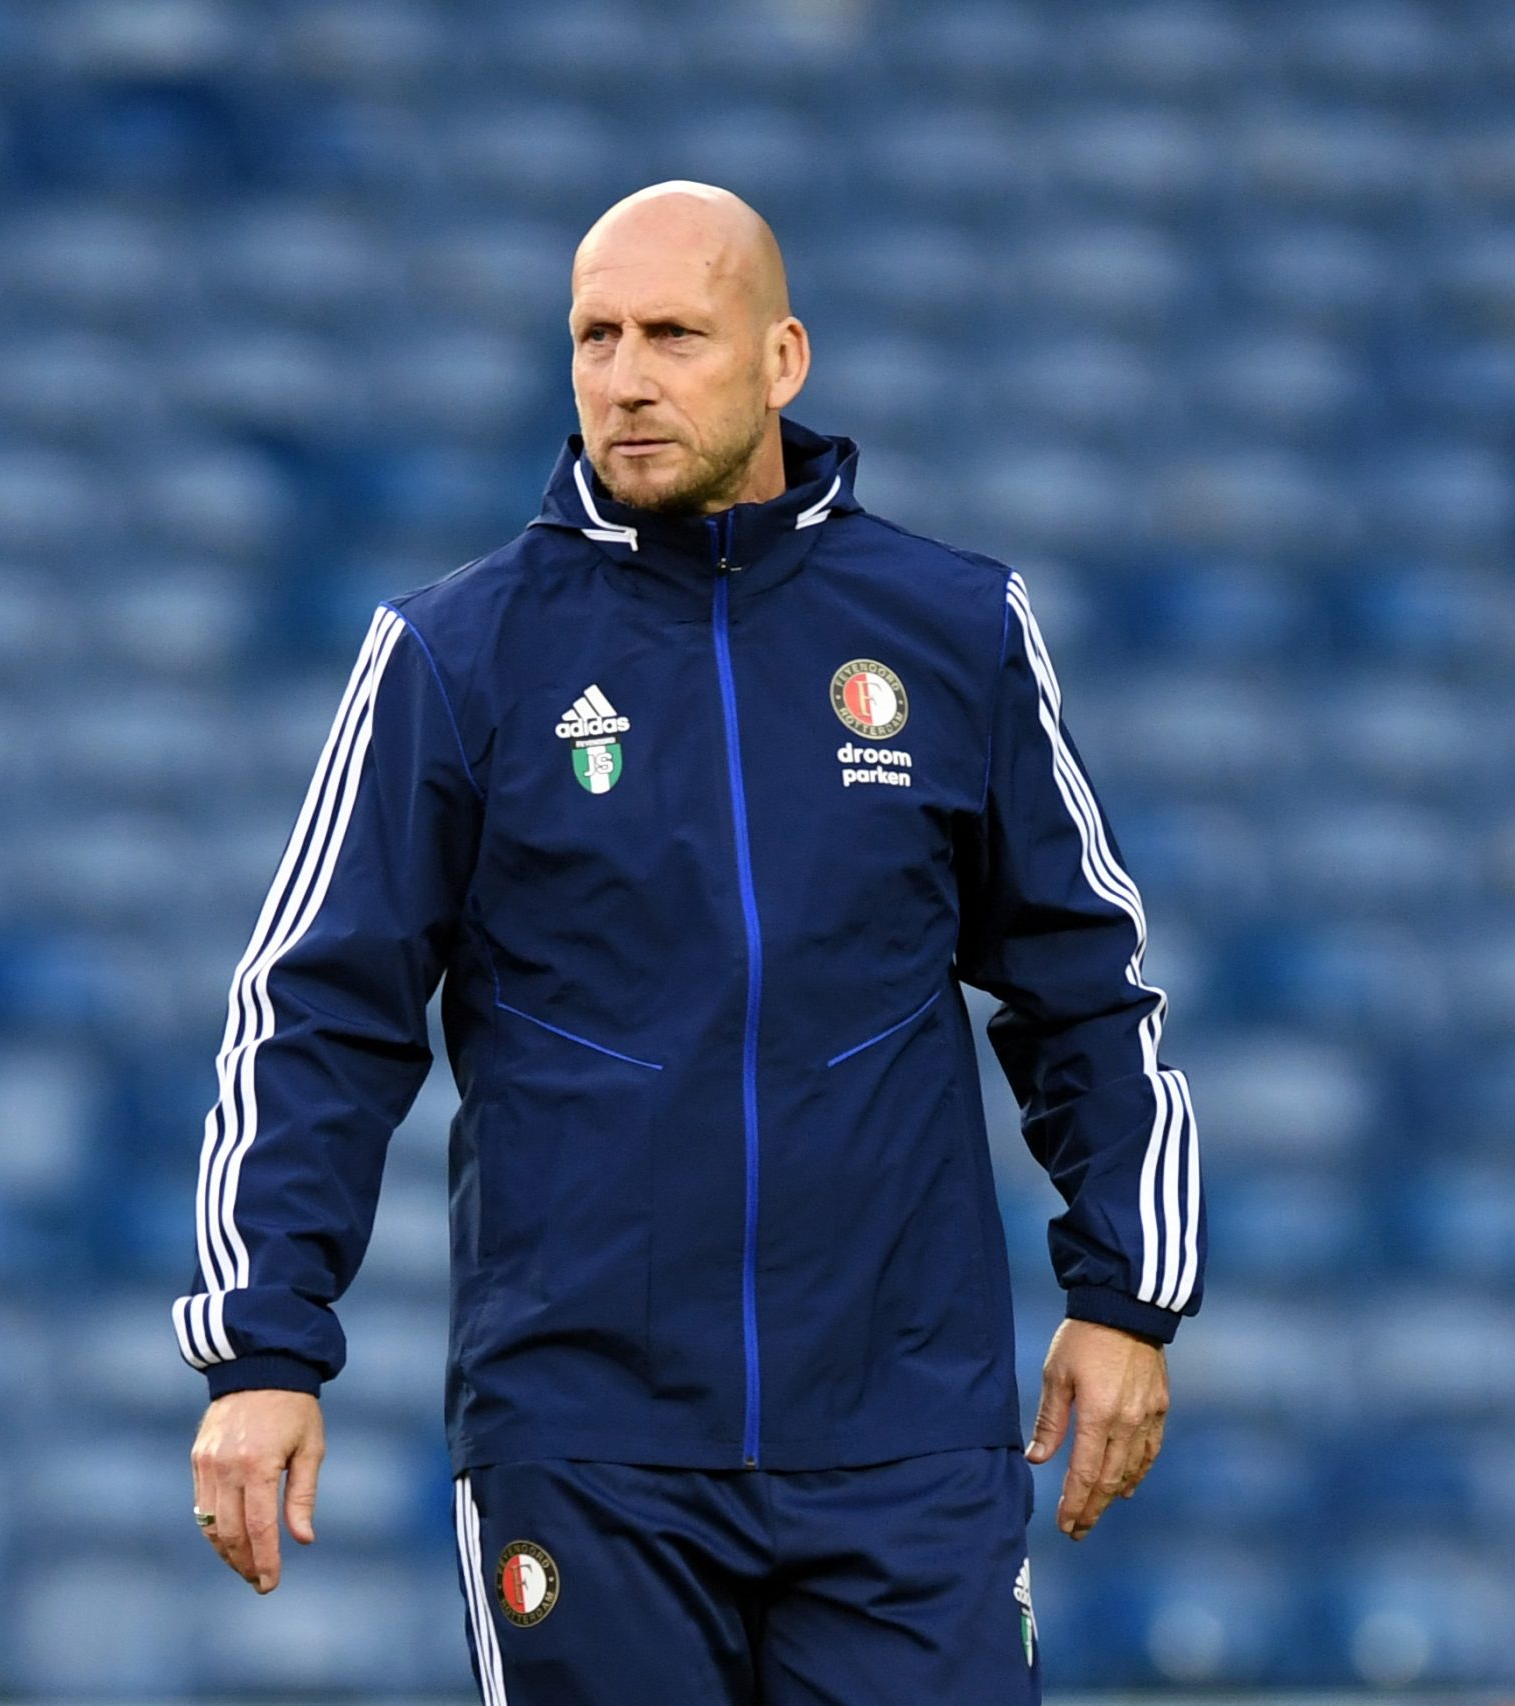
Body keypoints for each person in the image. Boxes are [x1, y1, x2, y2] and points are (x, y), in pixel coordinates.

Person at [175, 180, 1203, 1705]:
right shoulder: (457, 655)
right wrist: (263, 1349)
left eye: (674, 334)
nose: (629, 377)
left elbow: (1086, 985)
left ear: (782, 358)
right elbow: (316, 1014)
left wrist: (1125, 1294)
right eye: (596, 336)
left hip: (902, 1437)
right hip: (588, 1441)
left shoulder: (955, 627)